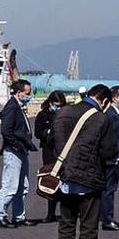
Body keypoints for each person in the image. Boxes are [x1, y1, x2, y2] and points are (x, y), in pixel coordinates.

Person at [52, 83, 119, 239]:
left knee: (66, 226)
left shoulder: (63, 112)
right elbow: (108, 152)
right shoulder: (102, 118)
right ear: (105, 101)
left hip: (64, 177)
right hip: (89, 179)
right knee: (88, 227)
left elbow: (54, 141)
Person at [0, 79, 36, 228]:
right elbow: (6, 130)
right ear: (19, 93)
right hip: (14, 151)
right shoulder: (12, 107)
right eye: (28, 93)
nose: (30, 95)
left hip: (21, 151)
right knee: (10, 186)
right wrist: (17, 145)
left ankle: (19, 216)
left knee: (22, 186)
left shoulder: (19, 106)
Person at [33, 91, 67, 223]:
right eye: (56, 105)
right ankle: (50, 213)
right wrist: (47, 133)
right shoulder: (43, 115)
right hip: (49, 151)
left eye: (60, 105)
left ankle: (66, 212)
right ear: (51, 102)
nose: (57, 108)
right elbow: (38, 132)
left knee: (64, 181)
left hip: (63, 150)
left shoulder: (65, 114)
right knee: (50, 179)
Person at [100, 87, 119, 231]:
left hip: (118, 155)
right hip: (113, 158)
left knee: (111, 188)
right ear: (114, 98)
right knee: (108, 189)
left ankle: (107, 216)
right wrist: (114, 154)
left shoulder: (116, 114)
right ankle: (107, 218)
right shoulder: (110, 115)